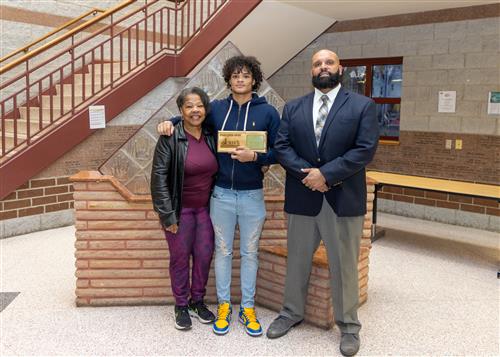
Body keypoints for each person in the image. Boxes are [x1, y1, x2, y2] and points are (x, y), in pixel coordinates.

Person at [157, 55, 280, 336]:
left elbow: (280, 150)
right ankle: (224, 305)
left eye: (246, 75)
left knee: (250, 253)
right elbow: (192, 115)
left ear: (254, 80)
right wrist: (169, 122)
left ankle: (247, 308)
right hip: (221, 195)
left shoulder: (268, 113)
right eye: (235, 75)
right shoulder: (217, 110)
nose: (240, 80)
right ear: (228, 79)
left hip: (252, 196)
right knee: (222, 252)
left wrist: (258, 157)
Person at [266, 49, 379, 357]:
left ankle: (349, 326)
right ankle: (291, 313)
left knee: (344, 265)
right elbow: (282, 146)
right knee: (297, 261)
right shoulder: (293, 108)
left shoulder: (362, 106)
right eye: (317, 64)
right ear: (312, 72)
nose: (323, 67)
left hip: (342, 199)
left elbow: (364, 150)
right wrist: (310, 175)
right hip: (303, 196)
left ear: (339, 68)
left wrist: (326, 175)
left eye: (329, 62)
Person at [151, 87, 218, 331]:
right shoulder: (170, 138)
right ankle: (180, 304)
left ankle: (196, 301)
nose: (195, 110)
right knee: (180, 259)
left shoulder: (211, 134)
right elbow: (158, 178)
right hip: (180, 211)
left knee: (203, 256)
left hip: (206, 211)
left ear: (205, 109)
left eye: (199, 105)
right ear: (181, 110)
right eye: (189, 106)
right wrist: (167, 215)